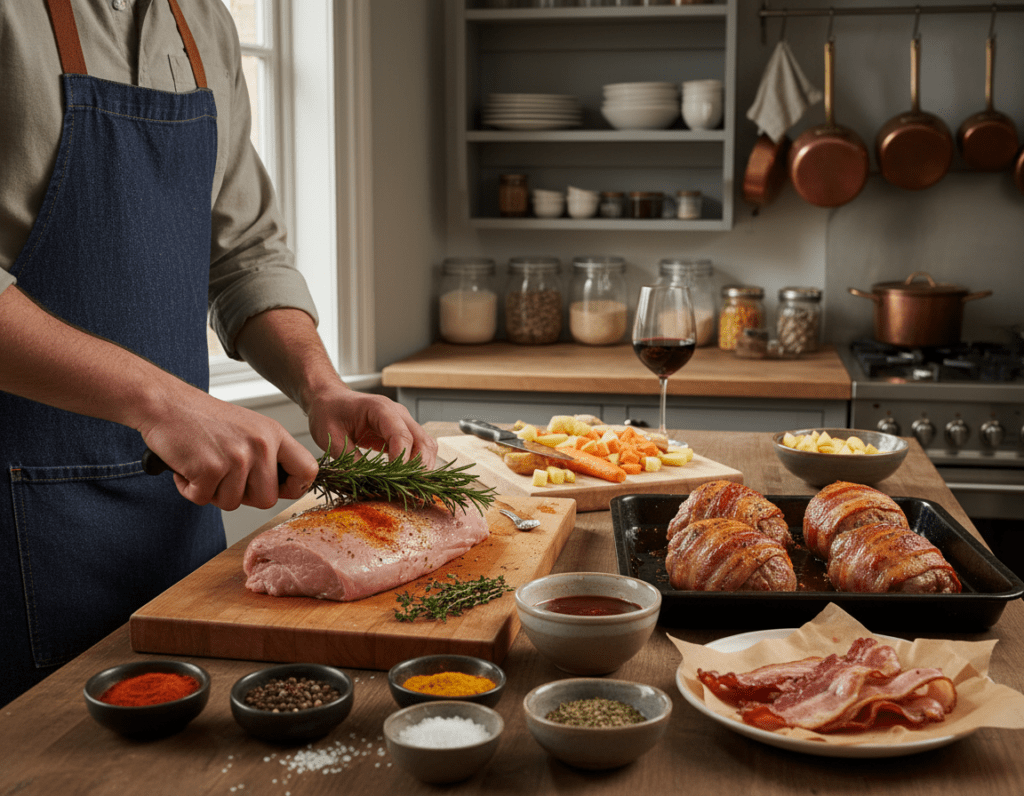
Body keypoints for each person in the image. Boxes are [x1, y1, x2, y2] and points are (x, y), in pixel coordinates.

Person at [0, 0, 437, 707]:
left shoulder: (201, 20)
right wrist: (163, 403)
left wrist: (319, 385)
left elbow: (243, 254)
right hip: (20, 532)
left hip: (179, 519)